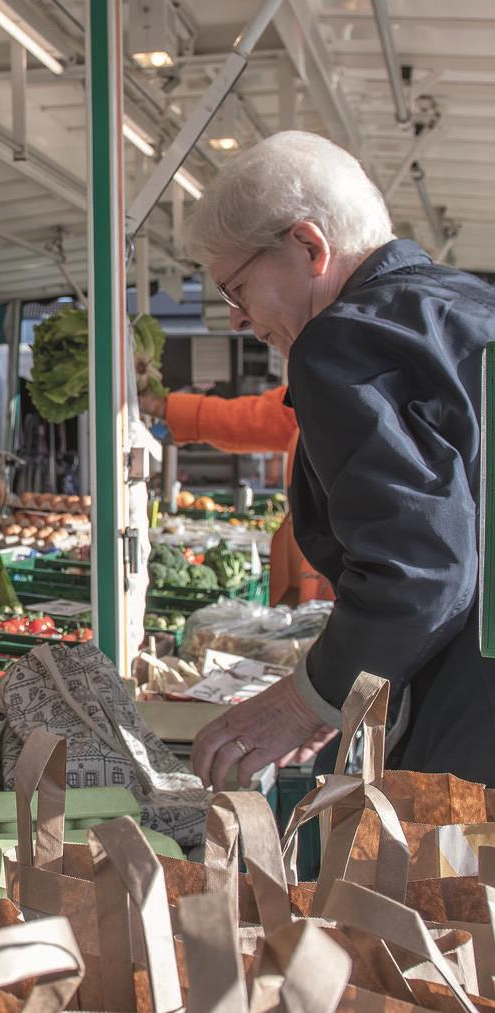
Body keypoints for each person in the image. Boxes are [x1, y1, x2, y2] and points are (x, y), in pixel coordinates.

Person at [183, 130, 495, 790]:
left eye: (238, 289)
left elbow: (420, 570)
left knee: (447, 893)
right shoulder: (470, 309)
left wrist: (305, 700)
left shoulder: (340, 341)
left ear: (308, 246)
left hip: (472, 751)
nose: (238, 319)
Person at [141, 385, 333, 606]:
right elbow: (254, 419)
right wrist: (168, 408)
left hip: (345, 587)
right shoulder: (316, 390)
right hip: (319, 579)